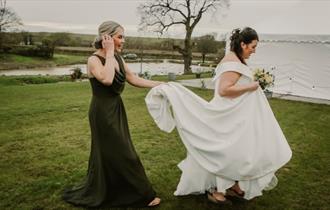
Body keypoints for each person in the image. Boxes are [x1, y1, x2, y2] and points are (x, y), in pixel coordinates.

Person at [145, 27, 292, 205]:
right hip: (227, 116)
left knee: (238, 150)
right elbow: (224, 90)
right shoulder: (232, 63)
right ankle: (216, 189)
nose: (254, 50)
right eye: (252, 46)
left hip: (234, 115)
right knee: (226, 152)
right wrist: (251, 86)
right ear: (243, 44)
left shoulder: (235, 58)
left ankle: (232, 184)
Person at [62, 20, 162, 208]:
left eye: (123, 37)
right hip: (102, 112)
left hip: (116, 109)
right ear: (106, 38)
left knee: (113, 153)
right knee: (125, 153)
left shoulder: (118, 58)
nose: (123, 41)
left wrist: (161, 85)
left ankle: (114, 190)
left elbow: (133, 78)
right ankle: (144, 195)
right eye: (120, 37)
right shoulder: (94, 60)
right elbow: (107, 79)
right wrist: (108, 52)